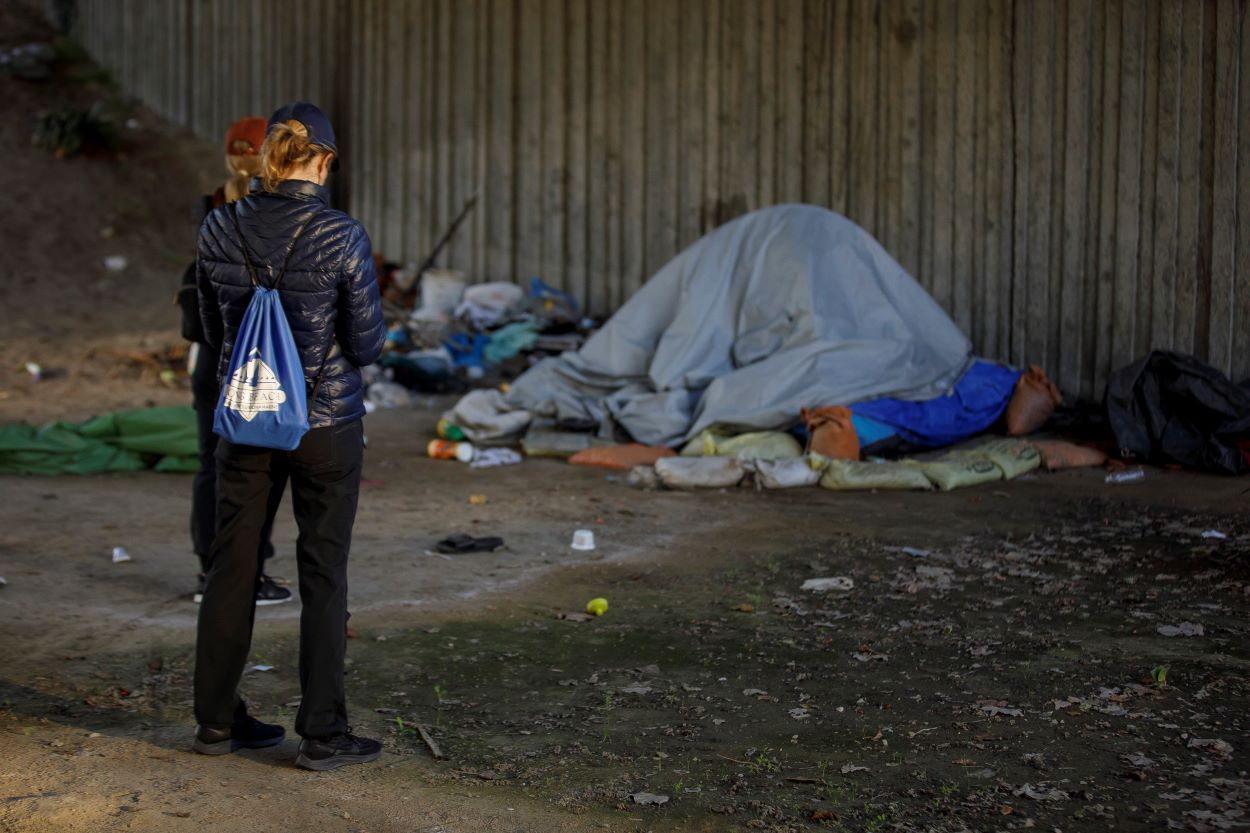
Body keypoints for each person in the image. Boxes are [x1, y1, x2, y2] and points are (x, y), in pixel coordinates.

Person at [192, 102, 385, 771]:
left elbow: (217, 337)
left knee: (232, 567)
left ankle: (216, 721)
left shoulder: (219, 224)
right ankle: (323, 733)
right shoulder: (343, 235)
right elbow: (364, 343)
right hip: (326, 426)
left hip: (246, 421)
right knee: (323, 572)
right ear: (324, 160)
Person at [178, 115, 290, 606]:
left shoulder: (211, 212)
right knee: (256, 467)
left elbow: (199, 304)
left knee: (213, 464)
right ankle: (246, 574)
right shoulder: (274, 215)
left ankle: (213, 573)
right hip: (253, 361)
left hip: (208, 355)